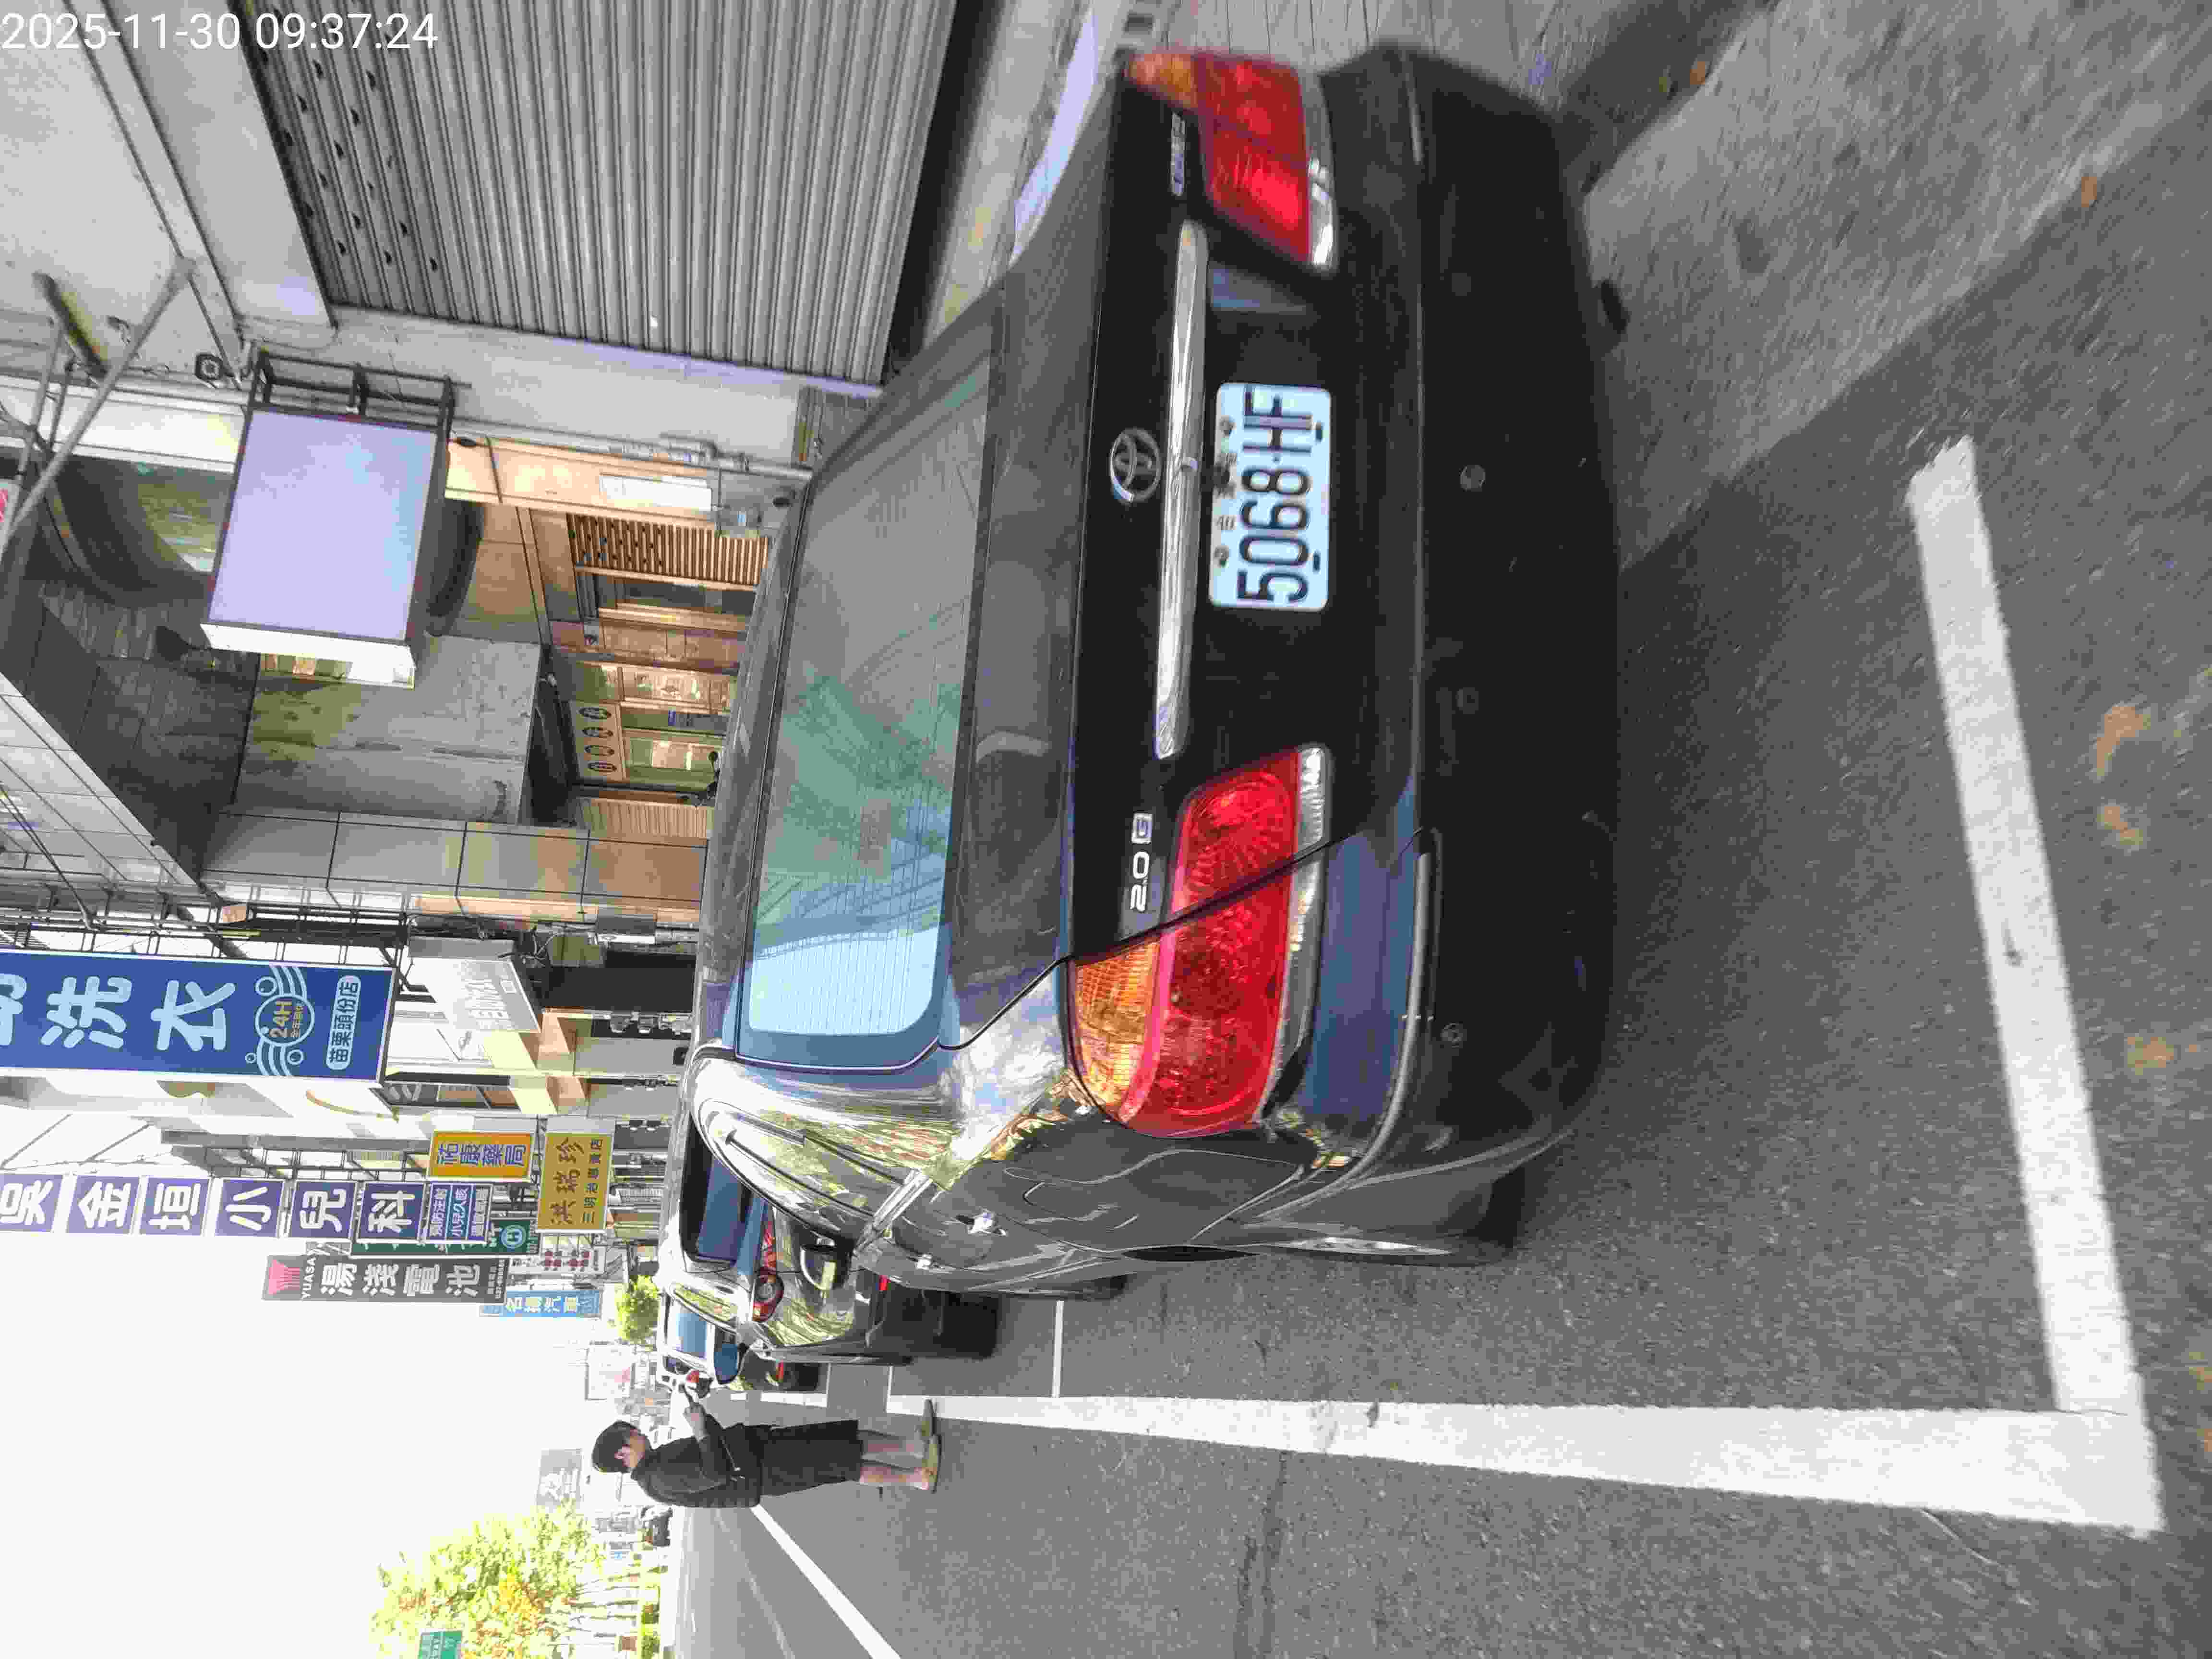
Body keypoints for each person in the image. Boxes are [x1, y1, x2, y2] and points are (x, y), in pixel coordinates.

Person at [593, 1394, 939, 1507]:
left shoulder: (656, 1462)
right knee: (844, 1463)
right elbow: (714, 1474)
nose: (639, 1432)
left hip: (759, 1449)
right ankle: (916, 1478)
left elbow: (713, 1443)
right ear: (622, 1454)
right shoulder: (657, 1479)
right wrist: (699, 1430)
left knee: (843, 1436)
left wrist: (704, 1420)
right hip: (764, 1470)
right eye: (631, 1434)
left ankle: (913, 1445)